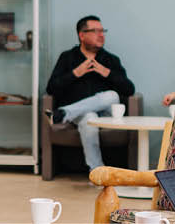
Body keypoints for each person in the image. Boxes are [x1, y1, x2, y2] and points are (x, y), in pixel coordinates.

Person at [45, 15, 135, 170]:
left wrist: (107, 72)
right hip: (80, 116)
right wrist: (75, 73)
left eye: (102, 31)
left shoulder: (110, 60)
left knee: (112, 96)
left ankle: (63, 113)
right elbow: (51, 88)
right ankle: (97, 172)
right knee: (89, 118)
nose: (101, 35)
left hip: (106, 113)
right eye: (95, 31)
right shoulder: (67, 57)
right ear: (82, 35)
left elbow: (129, 89)